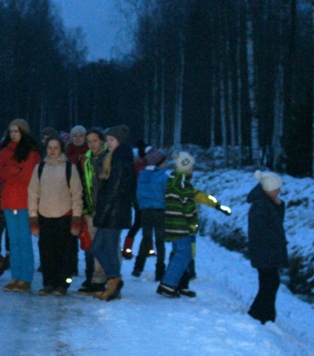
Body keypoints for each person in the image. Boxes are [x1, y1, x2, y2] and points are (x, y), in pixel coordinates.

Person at [157, 151, 231, 298]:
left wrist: (217, 205)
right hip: (181, 225)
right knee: (183, 255)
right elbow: (189, 206)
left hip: (173, 224)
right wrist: (192, 224)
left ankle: (180, 284)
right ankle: (168, 285)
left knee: (184, 255)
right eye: (192, 167)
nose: (193, 170)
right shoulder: (183, 184)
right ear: (186, 168)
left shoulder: (174, 181)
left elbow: (200, 196)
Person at [28, 136, 83, 295]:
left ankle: (62, 284)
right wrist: (33, 217)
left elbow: (76, 194)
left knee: (64, 253)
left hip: (64, 216)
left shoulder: (69, 168)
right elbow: (33, 193)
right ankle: (48, 283)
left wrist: (76, 218)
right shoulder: (40, 168)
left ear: (61, 150)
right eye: (50, 147)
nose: (52, 151)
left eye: (56, 148)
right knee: (46, 252)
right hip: (45, 216)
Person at [0, 118, 42, 293]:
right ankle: (15, 276)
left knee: (24, 241)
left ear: (23, 132)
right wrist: (14, 170)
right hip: (8, 201)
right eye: (11, 131)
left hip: (24, 201)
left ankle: (26, 278)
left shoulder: (32, 152)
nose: (13, 134)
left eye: (17, 131)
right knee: (14, 242)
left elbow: (27, 175)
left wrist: (11, 172)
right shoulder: (5, 151)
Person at [88, 125, 137, 302]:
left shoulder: (121, 159)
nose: (108, 143)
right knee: (98, 248)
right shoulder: (116, 157)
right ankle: (114, 283)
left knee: (106, 249)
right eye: (107, 140)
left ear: (119, 141)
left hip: (113, 213)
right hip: (112, 212)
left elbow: (114, 190)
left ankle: (114, 282)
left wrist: (104, 212)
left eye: (111, 140)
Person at [247, 170, 286, 324]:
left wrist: (280, 205)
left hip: (267, 251)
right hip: (264, 251)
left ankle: (266, 315)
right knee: (270, 283)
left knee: (270, 283)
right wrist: (277, 240)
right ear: (269, 189)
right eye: (277, 188)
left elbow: (277, 221)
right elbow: (261, 229)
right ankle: (259, 314)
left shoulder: (267, 202)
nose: (279, 191)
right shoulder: (260, 205)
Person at [78, 128, 109, 294]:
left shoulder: (108, 157)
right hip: (90, 208)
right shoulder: (85, 160)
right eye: (89, 141)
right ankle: (96, 279)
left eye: (94, 140)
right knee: (93, 246)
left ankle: (107, 279)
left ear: (101, 141)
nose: (92, 144)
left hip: (105, 208)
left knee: (105, 245)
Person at [131, 149, 168, 280]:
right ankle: (160, 270)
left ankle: (138, 267)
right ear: (159, 162)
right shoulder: (163, 177)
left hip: (145, 211)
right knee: (160, 241)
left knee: (146, 238)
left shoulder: (141, 175)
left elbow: (138, 194)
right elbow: (166, 194)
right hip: (159, 211)